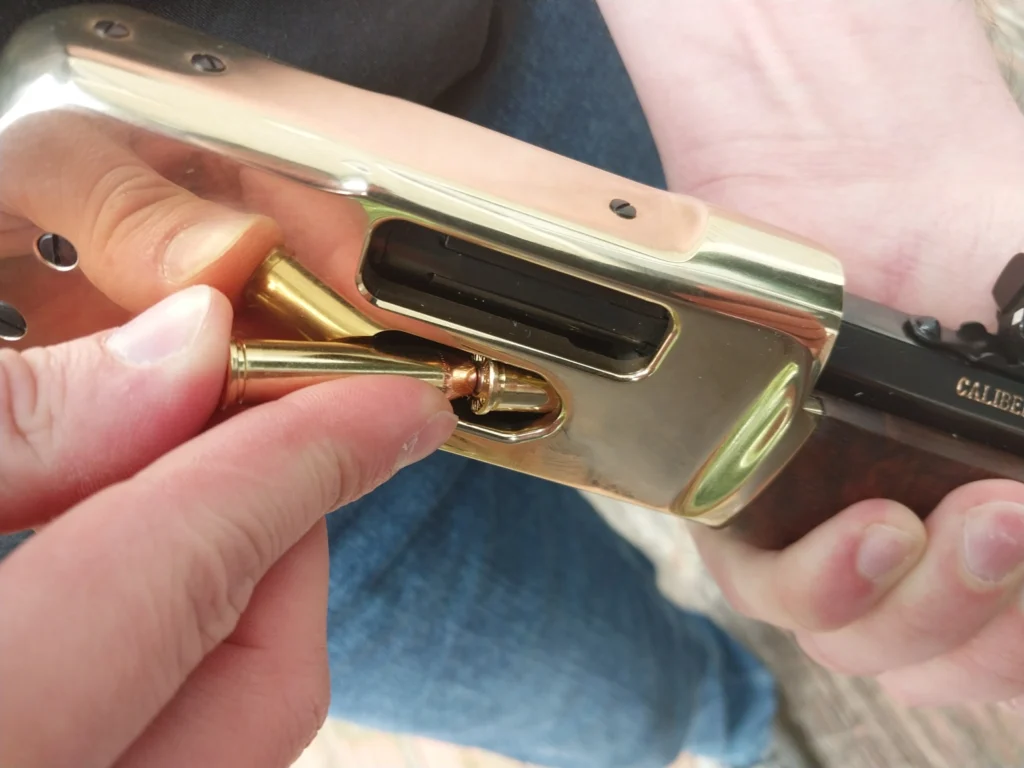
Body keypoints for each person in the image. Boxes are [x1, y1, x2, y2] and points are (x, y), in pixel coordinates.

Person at [1, 1, 1023, 767]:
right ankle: (733, 726)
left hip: (521, 89)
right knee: (608, 702)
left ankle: (732, 719)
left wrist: (805, 92)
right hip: (86, 526)